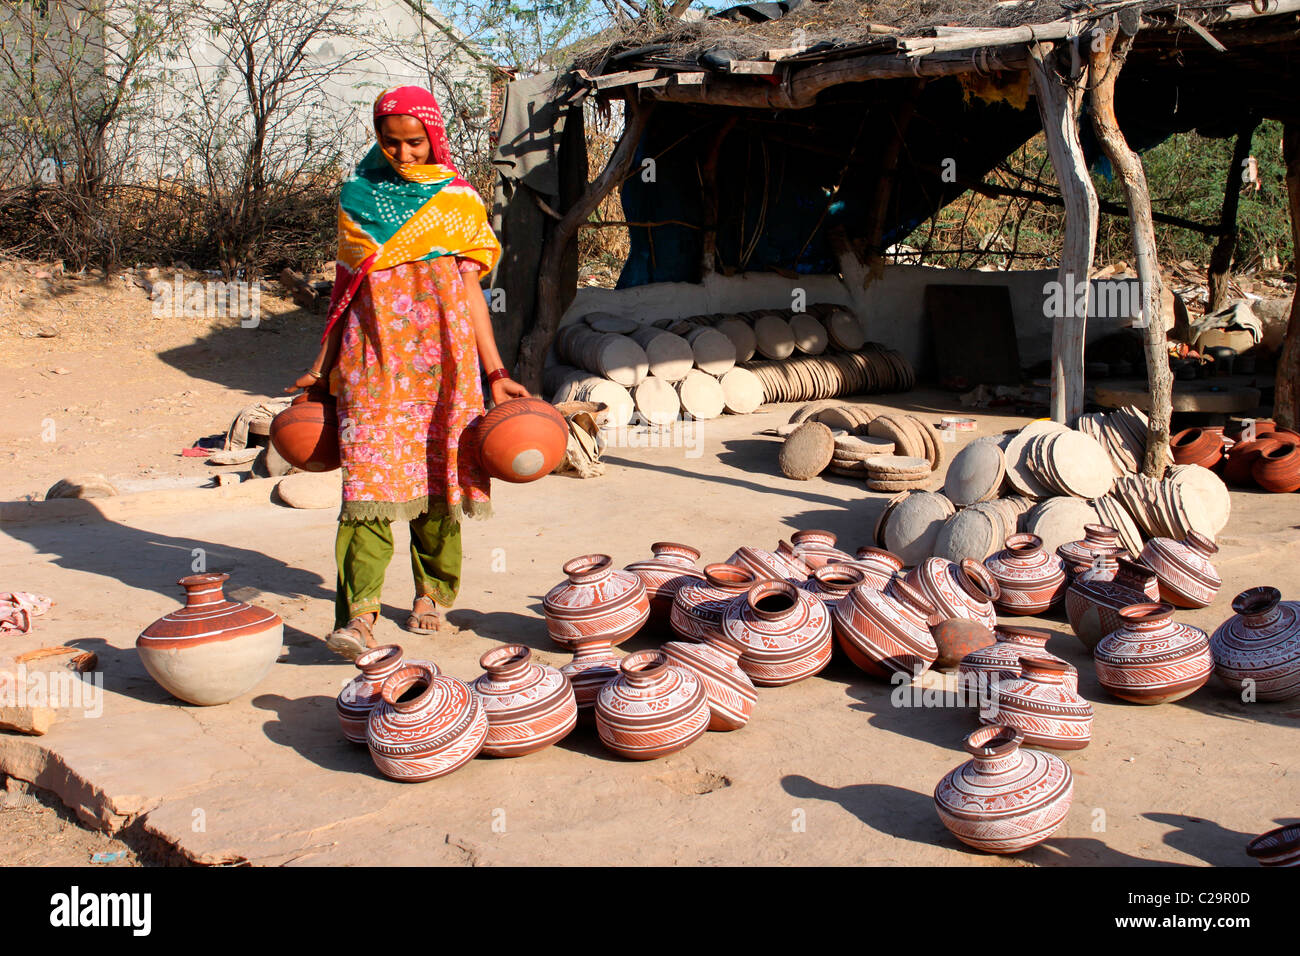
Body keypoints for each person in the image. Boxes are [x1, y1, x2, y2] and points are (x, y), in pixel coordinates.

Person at [288, 86, 529, 659]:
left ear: (435, 136)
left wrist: (494, 371)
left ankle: (432, 595)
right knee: (366, 487)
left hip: (445, 364)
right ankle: (360, 614)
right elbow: (345, 293)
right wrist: (321, 368)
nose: (404, 154)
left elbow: (471, 293)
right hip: (373, 361)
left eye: (415, 141)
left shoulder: (458, 200)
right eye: (390, 142)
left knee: (440, 478)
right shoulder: (358, 195)